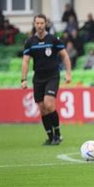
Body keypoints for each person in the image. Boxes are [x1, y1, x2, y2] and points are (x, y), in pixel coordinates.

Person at [21, 14, 72, 145]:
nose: (39, 25)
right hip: (38, 78)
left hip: (52, 76)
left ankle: (58, 135)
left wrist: (68, 74)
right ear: (34, 24)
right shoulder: (30, 42)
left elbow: (65, 57)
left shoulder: (53, 39)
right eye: (37, 23)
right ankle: (50, 137)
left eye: (41, 23)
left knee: (49, 104)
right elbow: (26, 61)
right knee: (42, 108)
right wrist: (23, 79)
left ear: (46, 24)